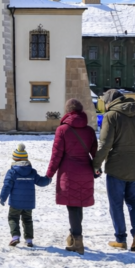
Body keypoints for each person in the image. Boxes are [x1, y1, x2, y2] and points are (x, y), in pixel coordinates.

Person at [93, 88, 135, 252]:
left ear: (110, 101)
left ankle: (120, 239)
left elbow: (105, 145)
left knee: (116, 204)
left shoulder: (111, 116)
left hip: (117, 168)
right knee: (134, 202)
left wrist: (96, 165)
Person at [45, 98, 98, 256]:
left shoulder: (62, 130)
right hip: (86, 172)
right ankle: (73, 236)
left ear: (67, 111)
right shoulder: (89, 130)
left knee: (73, 206)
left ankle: (77, 240)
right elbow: (95, 153)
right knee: (78, 205)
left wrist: (49, 175)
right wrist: (97, 169)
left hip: (69, 173)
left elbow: (56, 155)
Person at [0, 144, 50, 247]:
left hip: (15, 203)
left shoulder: (12, 172)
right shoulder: (32, 172)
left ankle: (15, 237)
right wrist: (48, 178)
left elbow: (7, 185)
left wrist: (2, 197)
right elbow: (41, 182)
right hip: (28, 203)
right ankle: (29, 240)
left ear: (14, 159)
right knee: (27, 220)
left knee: (13, 218)